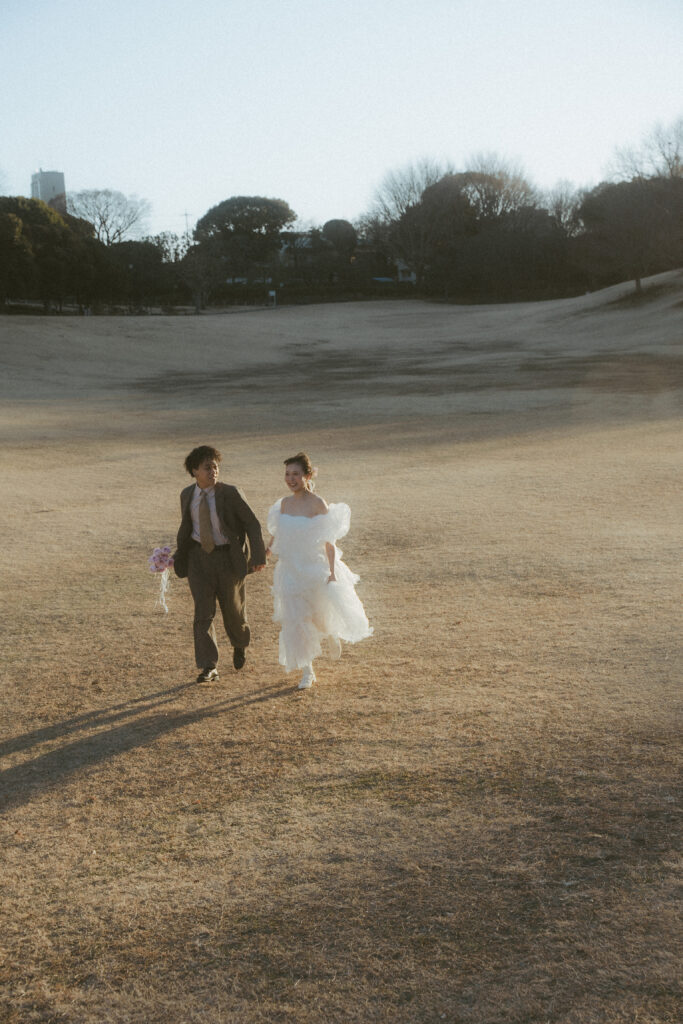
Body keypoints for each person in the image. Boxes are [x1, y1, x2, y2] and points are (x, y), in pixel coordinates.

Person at [266, 452, 372, 690]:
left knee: (320, 615)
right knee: (296, 620)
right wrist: (267, 551)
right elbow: (278, 533)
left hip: (314, 567)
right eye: (287, 474)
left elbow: (329, 541)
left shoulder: (317, 504)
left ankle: (331, 633)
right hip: (290, 571)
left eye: (296, 474)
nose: (291, 479)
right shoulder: (284, 504)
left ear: (307, 476)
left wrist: (332, 572)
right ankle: (308, 671)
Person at [174, 445, 266, 682]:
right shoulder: (187, 495)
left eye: (215, 467)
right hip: (198, 559)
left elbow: (252, 525)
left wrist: (257, 558)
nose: (213, 471)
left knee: (234, 610)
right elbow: (187, 528)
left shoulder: (231, 493)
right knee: (202, 613)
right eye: (207, 467)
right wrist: (176, 554)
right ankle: (208, 666)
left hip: (228, 558)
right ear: (195, 471)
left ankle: (239, 644)